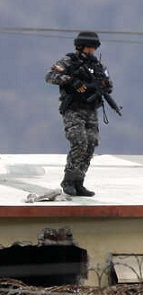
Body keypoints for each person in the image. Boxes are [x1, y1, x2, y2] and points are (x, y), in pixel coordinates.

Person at [45, 31, 114, 197]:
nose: (91, 51)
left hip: (90, 110)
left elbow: (109, 84)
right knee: (79, 142)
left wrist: (102, 86)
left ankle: (79, 181)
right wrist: (71, 80)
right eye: (88, 47)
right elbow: (50, 76)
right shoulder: (69, 61)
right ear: (80, 46)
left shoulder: (98, 66)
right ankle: (68, 180)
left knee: (91, 144)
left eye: (93, 48)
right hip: (73, 109)